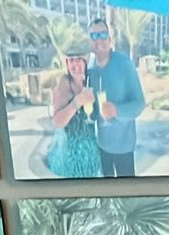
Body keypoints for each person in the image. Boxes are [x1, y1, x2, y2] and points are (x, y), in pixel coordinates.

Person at [85, 16, 144, 178]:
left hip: (124, 147)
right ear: (90, 42)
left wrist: (117, 110)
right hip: (102, 145)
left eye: (103, 35)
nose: (99, 40)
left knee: (127, 198)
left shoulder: (124, 63)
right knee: (107, 195)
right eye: (94, 36)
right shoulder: (90, 69)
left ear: (110, 39)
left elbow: (139, 103)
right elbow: (93, 109)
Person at [48, 40, 100, 177]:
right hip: (70, 154)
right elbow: (57, 122)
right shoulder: (63, 86)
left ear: (85, 62)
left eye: (79, 59)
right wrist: (76, 103)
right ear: (67, 64)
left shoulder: (93, 81)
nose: (75, 64)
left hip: (93, 151)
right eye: (71, 60)